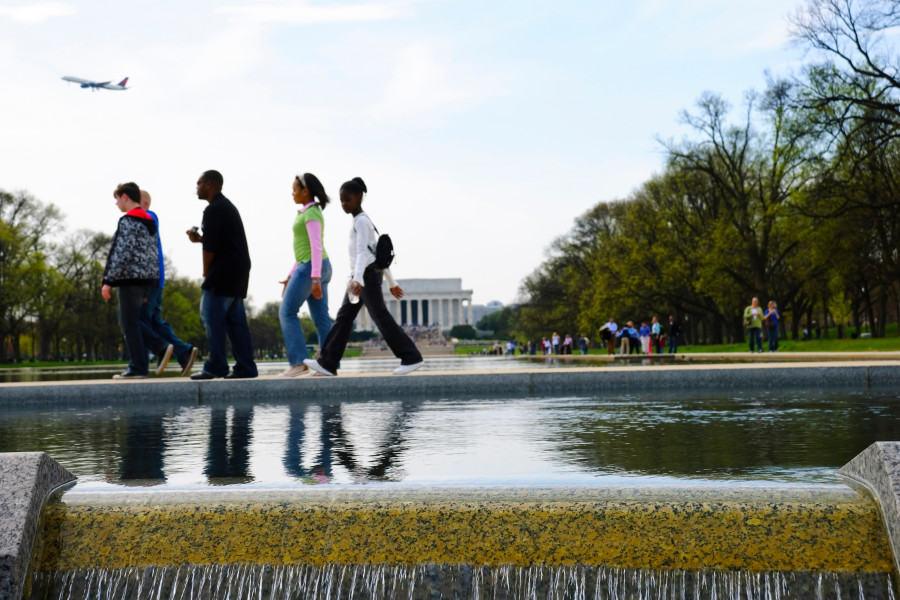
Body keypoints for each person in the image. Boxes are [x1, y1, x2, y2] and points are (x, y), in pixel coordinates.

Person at [304, 177, 424, 376]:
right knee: (343, 318)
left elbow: (362, 253)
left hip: (365, 278)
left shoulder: (361, 221)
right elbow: (377, 254)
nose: (344, 204)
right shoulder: (363, 220)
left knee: (380, 317)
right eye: (341, 201)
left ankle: (411, 357)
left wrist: (357, 280)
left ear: (359, 197)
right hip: (363, 276)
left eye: (348, 200)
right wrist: (390, 281)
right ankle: (327, 363)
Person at [186, 170, 258, 380]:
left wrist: (206, 272)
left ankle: (216, 365)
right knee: (235, 320)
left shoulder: (213, 209)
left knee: (210, 314)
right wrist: (199, 239)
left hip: (223, 270)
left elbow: (210, 249)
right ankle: (246, 366)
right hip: (238, 268)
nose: (196, 188)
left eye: (198, 183)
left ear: (209, 184)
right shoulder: (226, 207)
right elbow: (218, 240)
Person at [137, 190, 199, 377]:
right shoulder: (147, 218)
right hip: (156, 279)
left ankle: (159, 351)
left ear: (145, 203)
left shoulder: (149, 216)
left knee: (138, 320)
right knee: (155, 322)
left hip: (151, 281)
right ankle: (184, 352)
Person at [277, 173, 334, 377]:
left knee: (286, 312)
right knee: (321, 318)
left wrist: (315, 278)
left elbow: (315, 247)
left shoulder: (311, 213)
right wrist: (291, 274)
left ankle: (299, 362)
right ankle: (328, 365)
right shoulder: (307, 212)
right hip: (312, 267)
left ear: (305, 191)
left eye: (294, 189)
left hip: (313, 268)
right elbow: (303, 250)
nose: (292, 193)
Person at [101, 182, 160, 379]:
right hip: (146, 279)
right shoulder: (148, 221)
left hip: (129, 278)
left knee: (129, 323)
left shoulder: (129, 220)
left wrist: (109, 280)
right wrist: (147, 289)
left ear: (125, 197)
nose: (116, 204)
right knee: (133, 321)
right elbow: (152, 255)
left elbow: (122, 252)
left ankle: (139, 366)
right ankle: (151, 356)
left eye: (117, 199)